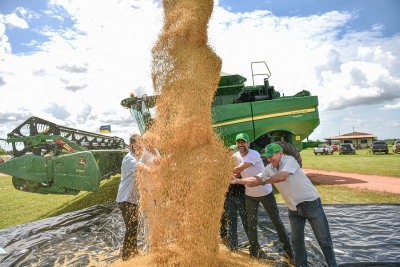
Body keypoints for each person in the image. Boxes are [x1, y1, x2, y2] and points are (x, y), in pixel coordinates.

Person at [242, 143, 338, 267]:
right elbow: (257, 177)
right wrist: (237, 180)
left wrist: (264, 181)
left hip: (311, 204)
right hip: (293, 209)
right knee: (296, 241)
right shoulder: (269, 168)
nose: (269, 159)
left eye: (272, 156)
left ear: (280, 154)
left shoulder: (290, 161)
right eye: (267, 157)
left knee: (323, 240)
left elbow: (281, 177)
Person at [231, 133, 295, 263]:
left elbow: (238, 169)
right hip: (250, 195)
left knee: (276, 222)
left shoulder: (253, 155)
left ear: (248, 144)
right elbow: (237, 173)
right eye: (239, 142)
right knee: (251, 225)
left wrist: (227, 172)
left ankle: (289, 252)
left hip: (265, 193)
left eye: (244, 142)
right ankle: (254, 253)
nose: (241, 145)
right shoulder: (235, 156)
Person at [116, 134, 142, 261]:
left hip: (132, 198)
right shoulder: (129, 159)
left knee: (134, 225)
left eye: (140, 143)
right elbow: (141, 167)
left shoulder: (137, 157)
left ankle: (134, 251)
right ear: (131, 145)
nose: (139, 146)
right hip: (125, 199)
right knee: (131, 226)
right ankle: (126, 256)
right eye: (137, 144)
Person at [221, 144, 249, 251]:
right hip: (228, 197)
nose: (230, 154)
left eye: (232, 152)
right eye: (229, 152)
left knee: (245, 220)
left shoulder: (240, 164)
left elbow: (239, 174)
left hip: (240, 196)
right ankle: (232, 245)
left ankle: (254, 246)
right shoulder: (226, 164)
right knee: (231, 221)